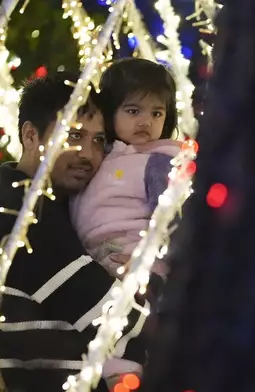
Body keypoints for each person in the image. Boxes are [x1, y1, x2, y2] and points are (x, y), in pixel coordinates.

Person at [0, 72, 151, 392]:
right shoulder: (21, 216)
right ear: (30, 136)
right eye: (73, 136)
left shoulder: (51, 205)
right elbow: (118, 323)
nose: (88, 153)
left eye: (98, 140)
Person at [70, 58, 181, 282]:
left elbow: (175, 224)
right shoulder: (98, 153)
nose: (145, 122)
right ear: (110, 111)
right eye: (133, 111)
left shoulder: (158, 161)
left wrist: (149, 260)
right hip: (94, 264)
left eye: (156, 113)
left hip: (142, 269)